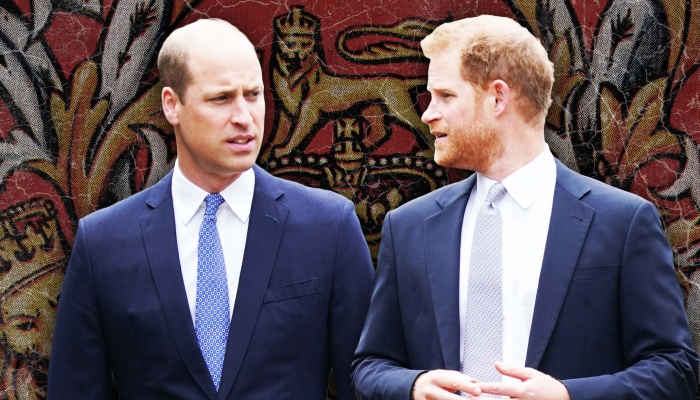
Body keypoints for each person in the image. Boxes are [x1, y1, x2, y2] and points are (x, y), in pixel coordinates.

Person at [351, 14, 698, 400]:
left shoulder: (622, 222)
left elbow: (675, 369)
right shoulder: (408, 226)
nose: (428, 113)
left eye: (445, 96)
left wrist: (567, 396)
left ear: (498, 98)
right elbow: (371, 365)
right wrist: (414, 386)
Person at [47, 18, 374, 399]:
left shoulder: (328, 226)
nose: (244, 117)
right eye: (221, 99)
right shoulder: (103, 242)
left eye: (253, 94)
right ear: (172, 105)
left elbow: (365, 381)